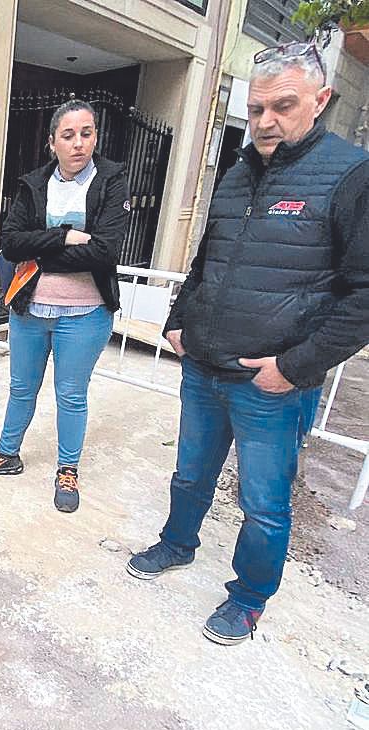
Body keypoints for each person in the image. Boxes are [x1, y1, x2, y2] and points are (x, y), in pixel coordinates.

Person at [126, 44, 369, 645]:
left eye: (282, 106)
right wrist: (178, 321)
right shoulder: (237, 172)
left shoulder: (350, 174)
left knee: (264, 503)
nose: (264, 122)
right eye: (255, 107)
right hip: (204, 365)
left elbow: (363, 294)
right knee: (189, 475)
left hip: (272, 384)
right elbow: (207, 259)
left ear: (321, 100)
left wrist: (295, 367)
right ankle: (178, 543)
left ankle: (250, 597)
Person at [0, 100, 129, 513]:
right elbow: (11, 242)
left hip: (87, 312)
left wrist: (42, 248)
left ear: (96, 136)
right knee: (21, 389)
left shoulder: (112, 181)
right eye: (68, 135)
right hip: (31, 309)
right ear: (52, 141)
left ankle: (67, 469)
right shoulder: (34, 183)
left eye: (86, 133)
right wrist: (66, 237)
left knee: (71, 395)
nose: (79, 143)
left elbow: (105, 253)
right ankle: (7, 454)